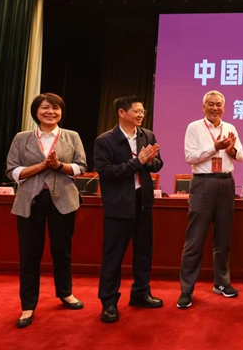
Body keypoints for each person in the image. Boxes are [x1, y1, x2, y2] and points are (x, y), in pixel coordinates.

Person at [6, 93, 87, 328]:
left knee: (62, 250)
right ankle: (28, 305)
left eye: (55, 108)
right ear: (36, 112)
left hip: (63, 200)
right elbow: (12, 171)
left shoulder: (72, 136)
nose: (50, 112)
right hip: (30, 201)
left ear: (61, 112)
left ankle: (66, 293)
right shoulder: (21, 138)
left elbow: (81, 167)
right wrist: (41, 166)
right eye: (45, 108)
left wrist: (58, 166)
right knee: (29, 254)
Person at [94, 95, 163, 323]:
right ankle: (109, 302)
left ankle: (141, 293)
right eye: (137, 111)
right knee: (113, 255)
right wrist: (137, 162)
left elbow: (157, 164)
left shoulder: (147, 135)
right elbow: (107, 172)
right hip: (119, 204)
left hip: (143, 201)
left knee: (144, 251)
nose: (141, 115)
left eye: (143, 111)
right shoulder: (105, 141)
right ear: (122, 112)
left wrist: (151, 161)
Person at [177, 91, 243, 309]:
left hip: (226, 183)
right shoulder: (194, 127)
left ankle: (222, 283)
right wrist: (215, 147)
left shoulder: (230, 127)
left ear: (224, 107)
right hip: (203, 183)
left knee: (223, 238)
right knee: (195, 239)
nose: (215, 108)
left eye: (219, 105)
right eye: (211, 104)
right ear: (203, 106)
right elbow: (190, 157)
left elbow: (241, 156)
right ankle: (187, 290)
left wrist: (231, 150)